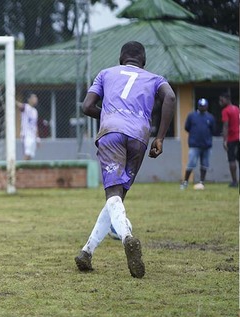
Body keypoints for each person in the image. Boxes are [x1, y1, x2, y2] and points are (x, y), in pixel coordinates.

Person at [75, 41, 176, 278]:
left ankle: (127, 237)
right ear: (143, 61)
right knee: (117, 198)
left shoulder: (105, 73)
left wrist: (110, 115)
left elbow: (87, 106)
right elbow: (170, 98)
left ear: (121, 59)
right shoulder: (154, 78)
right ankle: (86, 252)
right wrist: (160, 138)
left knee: (112, 195)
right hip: (139, 137)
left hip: (111, 133)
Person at [180, 98, 214, 190]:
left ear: (207, 106)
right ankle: (185, 182)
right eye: (201, 106)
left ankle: (202, 182)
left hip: (206, 145)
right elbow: (187, 127)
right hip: (194, 145)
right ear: (198, 106)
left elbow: (213, 129)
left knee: (204, 164)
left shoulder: (210, 117)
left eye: (204, 106)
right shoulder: (192, 116)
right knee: (191, 163)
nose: (202, 107)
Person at [220, 92, 239, 187]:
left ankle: (234, 181)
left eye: (222, 100)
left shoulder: (225, 111)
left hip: (232, 138)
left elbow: (225, 126)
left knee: (232, 160)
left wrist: (224, 140)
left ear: (227, 99)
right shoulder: (237, 108)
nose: (221, 102)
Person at [16, 93, 40, 160]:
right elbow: (20, 106)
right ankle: (20, 169)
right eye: (33, 97)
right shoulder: (26, 107)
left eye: (36, 97)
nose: (35, 99)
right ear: (29, 99)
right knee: (27, 153)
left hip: (33, 136)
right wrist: (12, 99)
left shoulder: (35, 111)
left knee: (31, 155)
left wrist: (37, 139)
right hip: (26, 135)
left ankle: (25, 170)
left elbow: (35, 125)